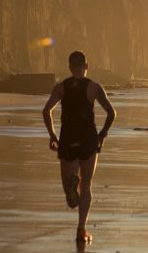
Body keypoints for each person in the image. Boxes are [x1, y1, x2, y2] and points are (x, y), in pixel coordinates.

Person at [43, 51, 116, 243]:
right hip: (89, 139)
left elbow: (46, 111)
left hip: (67, 138)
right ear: (86, 66)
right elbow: (111, 113)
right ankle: (81, 230)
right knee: (87, 184)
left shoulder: (61, 87)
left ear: (69, 67)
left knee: (69, 193)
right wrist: (102, 134)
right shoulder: (94, 87)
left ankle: (70, 185)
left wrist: (53, 136)